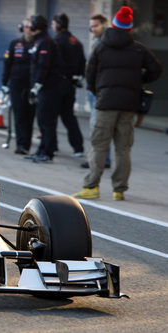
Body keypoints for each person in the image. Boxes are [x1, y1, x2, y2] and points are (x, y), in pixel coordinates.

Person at [73, 6, 162, 201]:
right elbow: (156, 69)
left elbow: (90, 73)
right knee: (123, 148)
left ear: (113, 25)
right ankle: (119, 190)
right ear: (129, 28)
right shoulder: (139, 49)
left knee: (99, 145)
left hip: (105, 103)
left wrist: (99, 90)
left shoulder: (101, 47)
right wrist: (139, 81)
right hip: (129, 105)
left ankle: (91, 186)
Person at [25, 14, 62, 163]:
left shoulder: (45, 42)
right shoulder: (40, 41)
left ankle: (47, 152)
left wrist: (37, 85)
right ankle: (43, 149)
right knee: (42, 121)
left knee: (46, 121)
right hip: (44, 87)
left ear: (35, 27)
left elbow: (43, 66)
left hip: (48, 88)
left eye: (31, 25)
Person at [51, 13, 85, 157]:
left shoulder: (56, 41)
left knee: (50, 116)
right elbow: (83, 62)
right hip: (70, 84)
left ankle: (51, 146)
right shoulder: (76, 41)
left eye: (53, 24)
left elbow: (52, 62)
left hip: (57, 83)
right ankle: (78, 147)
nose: (52, 27)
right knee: (69, 116)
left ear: (58, 25)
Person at [1, 18, 35, 155]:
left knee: (30, 115)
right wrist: (4, 83)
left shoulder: (38, 44)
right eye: (25, 27)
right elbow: (7, 63)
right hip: (16, 84)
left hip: (31, 85)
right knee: (19, 114)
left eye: (30, 27)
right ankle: (21, 144)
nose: (28, 29)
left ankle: (26, 144)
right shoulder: (15, 44)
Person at [82, 13, 111, 169]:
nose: (93, 29)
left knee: (97, 126)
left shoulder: (105, 43)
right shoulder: (97, 41)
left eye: (96, 26)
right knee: (99, 126)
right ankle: (103, 158)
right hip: (94, 88)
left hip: (99, 90)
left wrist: (93, 86)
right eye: (91, 26)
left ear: (104, 25)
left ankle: (97, 159)